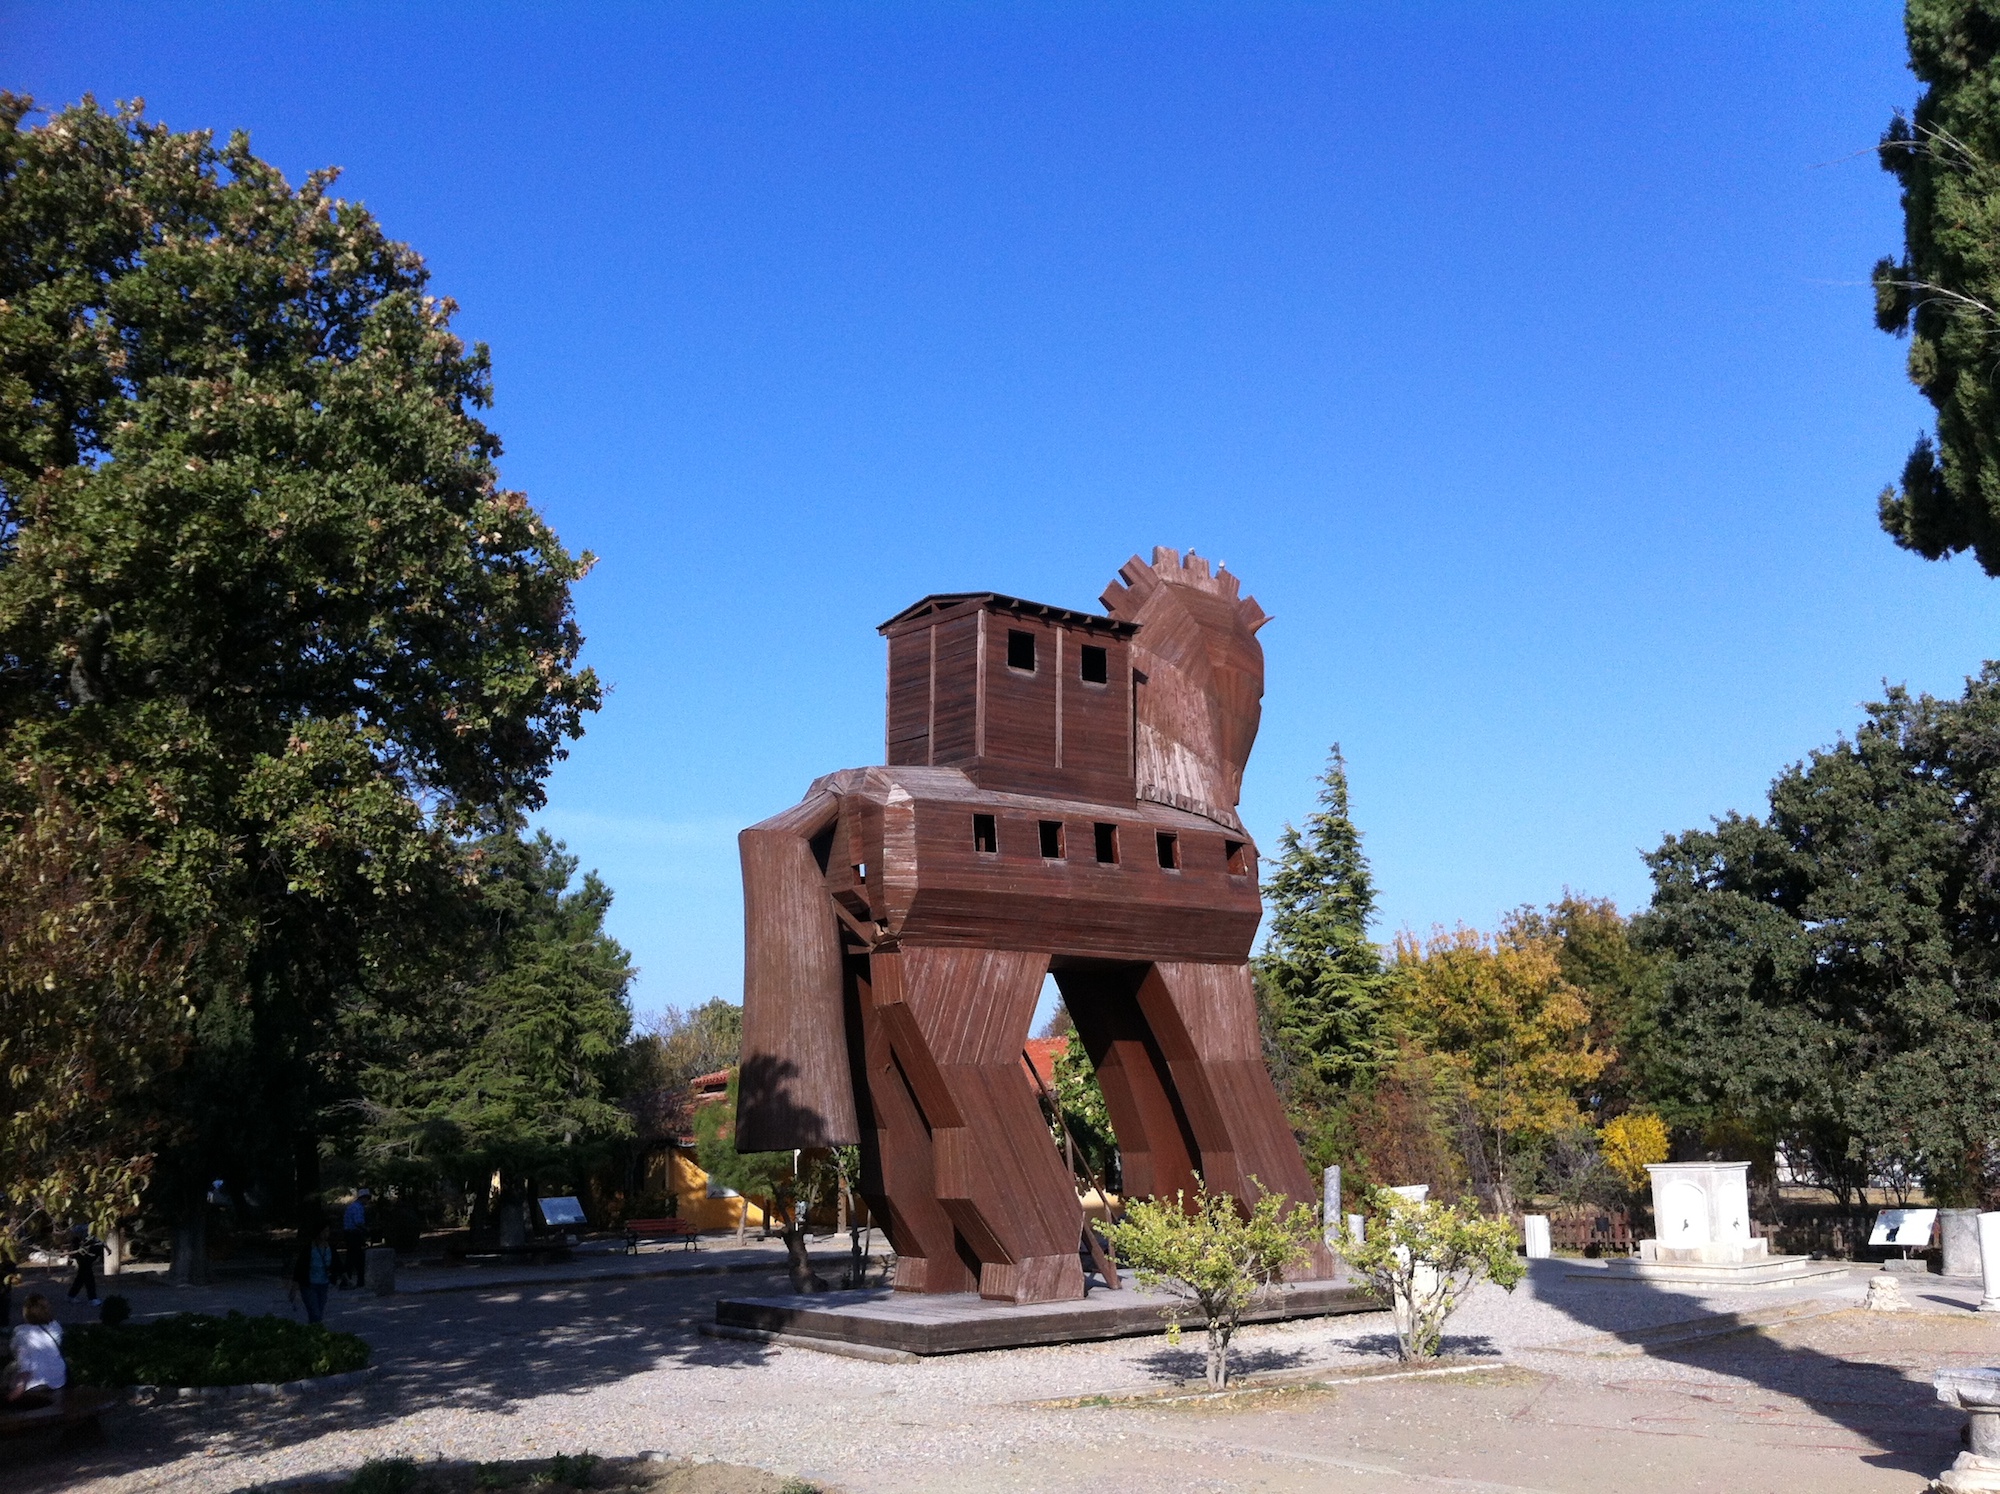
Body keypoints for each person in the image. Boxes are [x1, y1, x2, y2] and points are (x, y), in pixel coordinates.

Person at [7, 1294, 65, 1410]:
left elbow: (24, 1366)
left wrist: (17, 1391)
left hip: (34, 1383)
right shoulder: (55, 1327)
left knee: (8, 1371)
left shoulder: (21, 1333)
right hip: (58, 1379)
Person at [288, 1223, 334, 1325]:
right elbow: (299, 1268)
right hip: (309, 1285)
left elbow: (337, 1264)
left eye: (328, 1231)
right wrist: (294, 1288)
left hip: (323, 1284)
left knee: (318, 1314)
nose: (326, 1234)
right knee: (315, 1313)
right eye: (324, 1232)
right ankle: (315, 1332)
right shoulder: (308, 1249)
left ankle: (312, 1332)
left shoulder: (330, 1248)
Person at [339, 1190, 370, 1289]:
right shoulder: (358, 1208)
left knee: (352, 1258)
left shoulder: (352, 1206)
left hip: (349, 1234)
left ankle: (350, 1280)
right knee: (357, 1259)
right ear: (363, 1197)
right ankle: (358, 1281)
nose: (367, 1201)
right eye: (367, 1198)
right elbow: (358, 1222)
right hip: (354, 1235)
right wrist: (366, 1230)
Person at [65, 1223, 101, 1307]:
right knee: (88, 1274)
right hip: (83, 1249)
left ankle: (72, 1295)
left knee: (82, 1275)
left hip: (88, 1248)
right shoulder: (81, 1223)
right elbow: (77, 1233)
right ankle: (92, 1298)